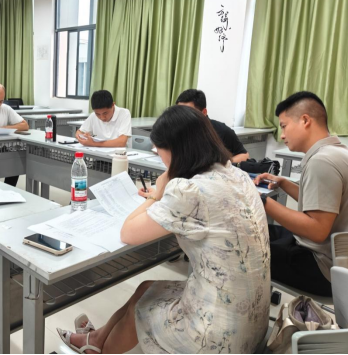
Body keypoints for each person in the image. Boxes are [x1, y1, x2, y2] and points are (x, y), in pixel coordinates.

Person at [58, 106, 271, 354]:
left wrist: (157, 193)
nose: (160, 158)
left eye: (159, 151)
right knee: (146, 287)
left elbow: (128, 233)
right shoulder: (237, 175)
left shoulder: (189, 191)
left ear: (177, 150)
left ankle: (100, 350)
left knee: (142, 308)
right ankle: (95, 340)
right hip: (252, 319)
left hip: (217, 334)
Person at [255, 92, 348, 297]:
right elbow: (324, 205)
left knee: (241, 249)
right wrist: (284, 183)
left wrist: (260, 200)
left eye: (284, 126)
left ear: (305, 120)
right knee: (255, 231)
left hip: (321, 267)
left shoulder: (322, 161)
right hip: (336, 259)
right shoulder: (338, 152)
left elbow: (317, 230)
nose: (282, 135)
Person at [176, 89, 250, 163]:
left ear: (204, 112)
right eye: (179, 112)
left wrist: (221, 165)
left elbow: (244, 155)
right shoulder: (175, 130)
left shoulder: (222, 131)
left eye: (188, 113)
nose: (182, 117)